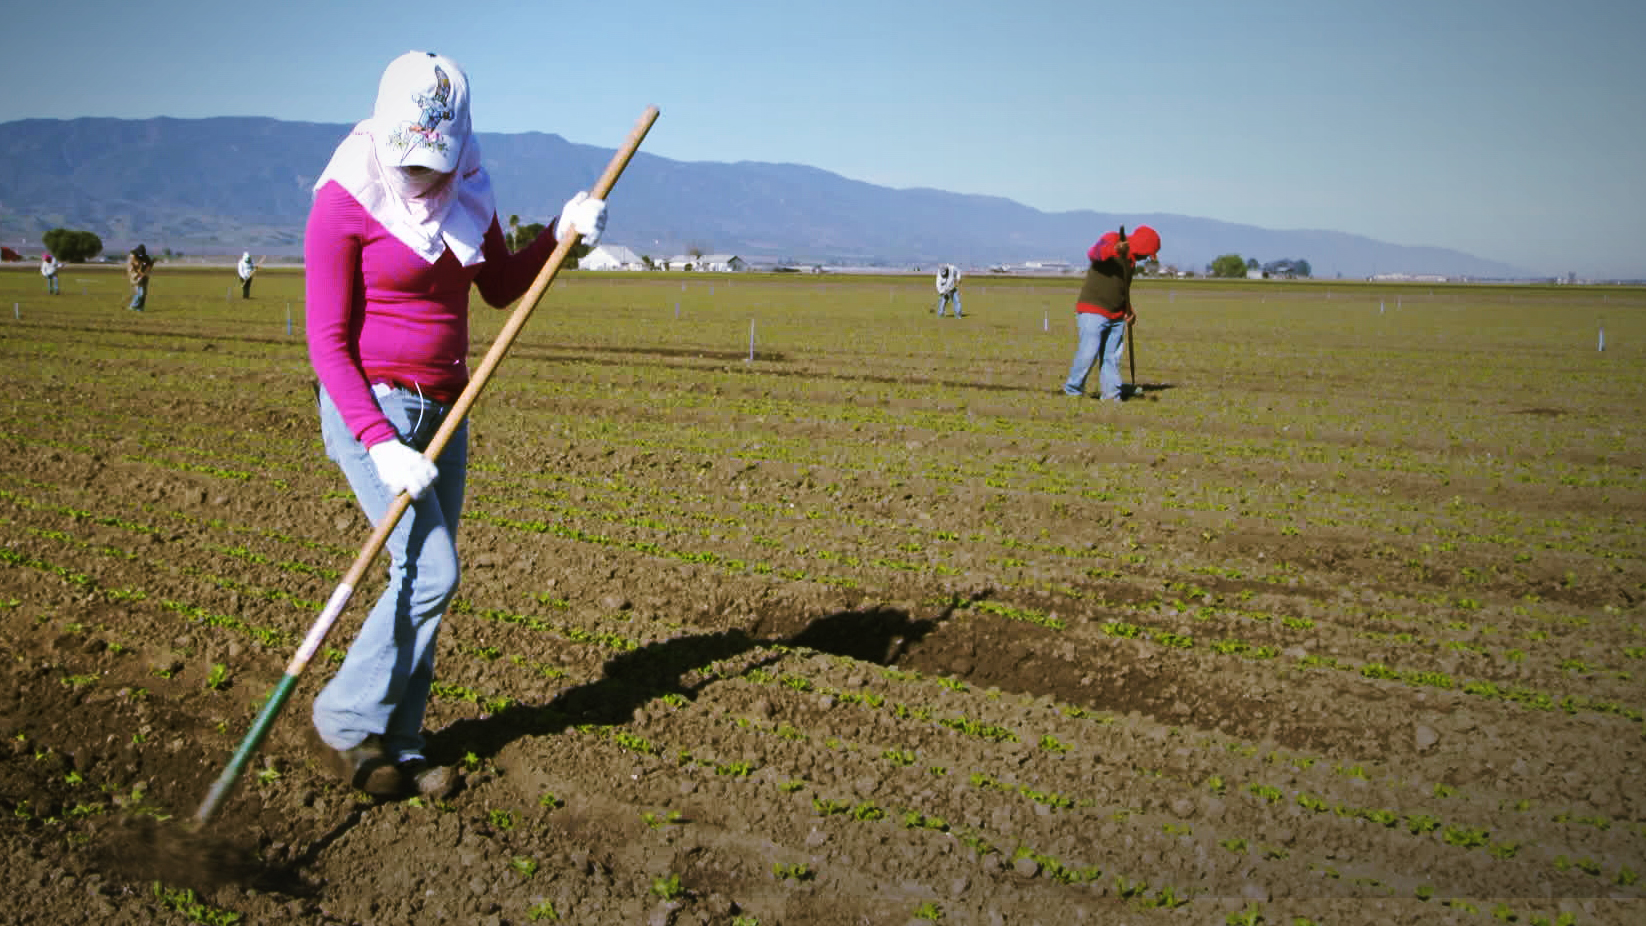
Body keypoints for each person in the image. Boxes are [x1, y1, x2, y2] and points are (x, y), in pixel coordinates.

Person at [304, 50, 607, 797]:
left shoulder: (469, 187)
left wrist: (560, 240)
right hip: (371, 406)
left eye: (435, 165)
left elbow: (500, 285)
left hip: (449, 406)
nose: (423, 181)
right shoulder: (346, 195)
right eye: (412, 165)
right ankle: (343, 719)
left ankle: (399, 743)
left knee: (421, 577)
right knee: (433, 571)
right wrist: (377, 442)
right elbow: (326, 342)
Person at [1062, 225, 1160, 401]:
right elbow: (1094, 253)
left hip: (1116, 315)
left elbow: (1121, 289)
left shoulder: (1131, 262)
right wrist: (1115, 250)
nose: (1146, 258)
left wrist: (1129, 311)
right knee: (1088, 352)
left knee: (1112, 358)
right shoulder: (1112, 238)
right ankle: (1073, 390)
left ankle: (1111, 395)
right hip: (1093, 310)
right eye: (1148, 253)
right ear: (1143, 245)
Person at [126, 244, 153, 311]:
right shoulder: (132, 256)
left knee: (144, 294)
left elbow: (149, 266)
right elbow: (131, 269)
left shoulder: (146, 257)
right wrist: (139, 274)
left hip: (144, 277)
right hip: (136, 277)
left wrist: (148, 268)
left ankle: (140, 308)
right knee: (140, 293)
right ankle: (132, 306)